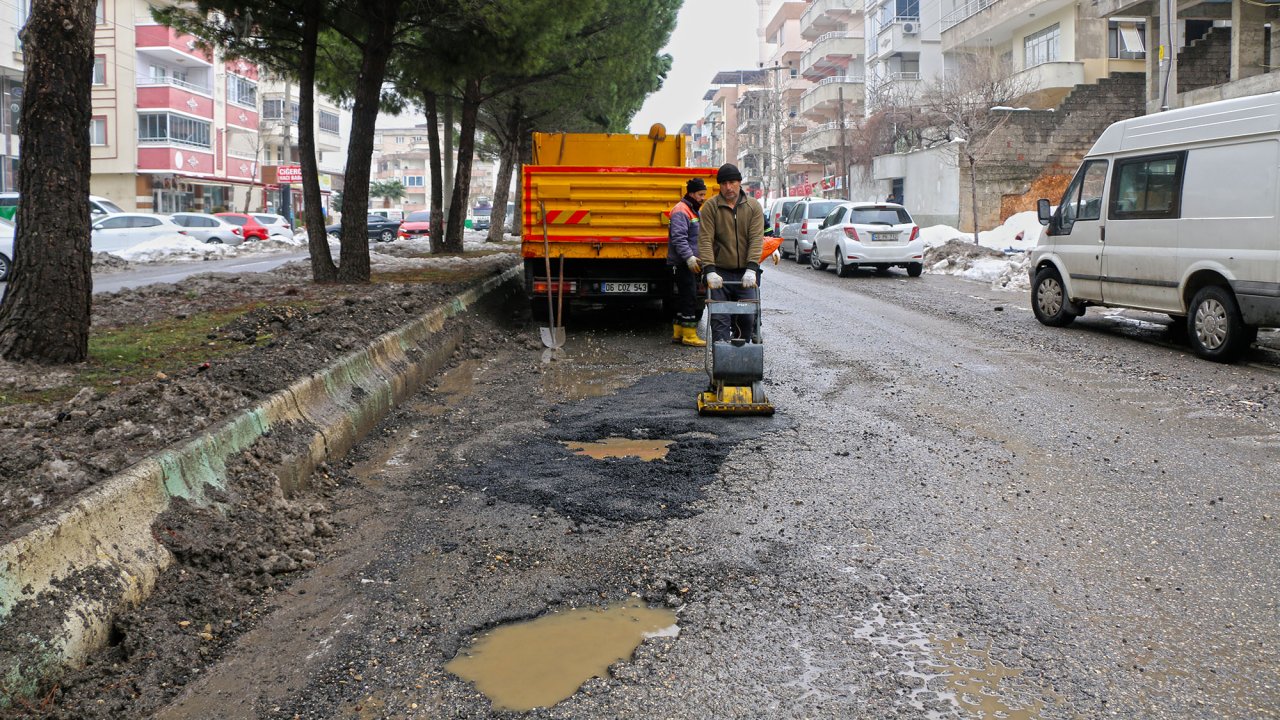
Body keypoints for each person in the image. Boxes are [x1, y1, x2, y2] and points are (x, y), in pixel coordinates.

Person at [698, 163, 764, 343]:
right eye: (724, 183)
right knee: (719, 320)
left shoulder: (753, 207)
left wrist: (752, 268)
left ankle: (741, 361)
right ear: (719, 185)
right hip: (720, 273)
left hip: (745, 274)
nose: (728, 187)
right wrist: (709, 270)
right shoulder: (710, 207)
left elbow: (756, 239)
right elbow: (705, 240)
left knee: (747, 318)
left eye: (732, 182)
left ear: (739, 182)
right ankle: (721, 364)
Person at [667, 177, 708, 347]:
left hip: (684, 263)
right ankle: (689, 336)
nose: (703, 198)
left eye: (704, 194)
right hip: (682, 263)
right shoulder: (681, 210)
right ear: (691, 193)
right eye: (700, 194)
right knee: (689, 298)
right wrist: (689, 257)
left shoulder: (692, 209)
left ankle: (678, 333)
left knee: (682, 299)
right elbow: (679, 238)